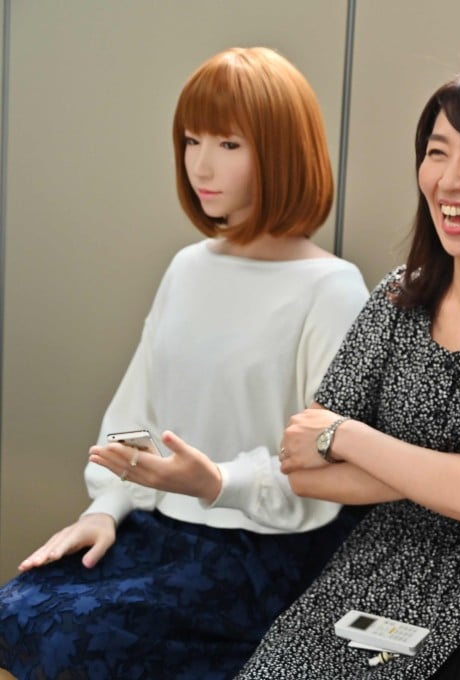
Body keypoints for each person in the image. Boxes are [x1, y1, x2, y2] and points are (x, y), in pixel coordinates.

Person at [0, 47, 369, 679]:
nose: (200, 164)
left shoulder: (333, 290)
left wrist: (215, 482)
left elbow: (328, 471)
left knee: (73, 647)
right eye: (191, 139)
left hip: (264, 555)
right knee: (16, 614)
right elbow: (134, 418)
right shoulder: (188, 267)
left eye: (228, 144)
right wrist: (104, 511)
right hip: (159, 531)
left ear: (282, 151)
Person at [235, 65, 460, 680]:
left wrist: (353, 440)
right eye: (436, 152)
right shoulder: (401, 298)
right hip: (375, 568)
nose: (448, 180)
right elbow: (304, 464)